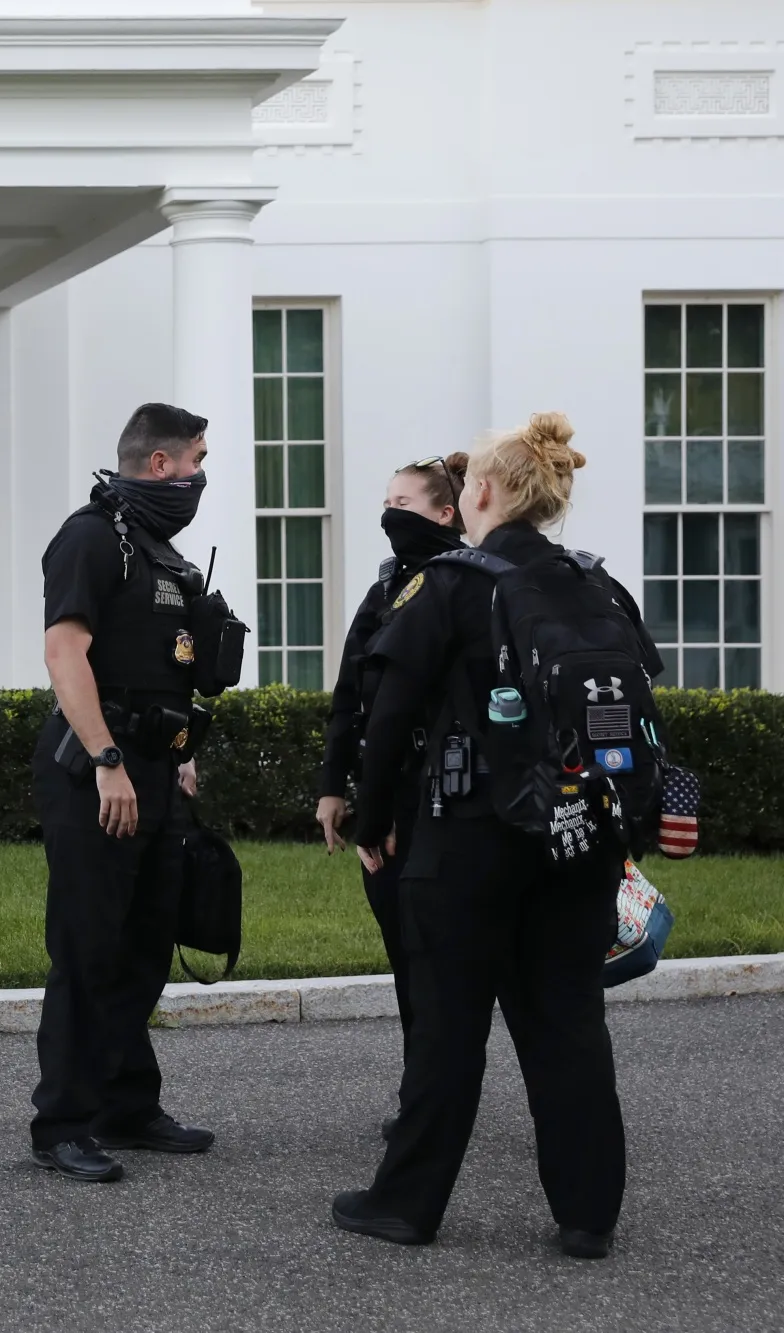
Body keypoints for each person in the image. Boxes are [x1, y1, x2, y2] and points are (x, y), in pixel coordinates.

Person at [333, 413, 659, 1259]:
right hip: (576, 833)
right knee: (569, 1022)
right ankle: (589, 1213)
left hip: (468, 835)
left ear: (479, 491)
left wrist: (371, 822)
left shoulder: (448, 582)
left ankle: (404, 1203)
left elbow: (389, 710)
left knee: (448, 1026)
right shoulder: (593, 582)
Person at [29, 402, 226, 1183]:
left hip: (154, 768)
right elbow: (63, 651)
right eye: (196, 460)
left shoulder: (156, 549)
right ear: (159, 465)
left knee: (144, 941)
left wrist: (176, 756)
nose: (200, 475)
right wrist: (108, 757)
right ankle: (62, 1122)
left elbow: (162, 667)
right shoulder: (89, 537)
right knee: (87, 946)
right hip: (95, 769)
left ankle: (125, 1104)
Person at [314, 453, 469, 1069]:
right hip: (384, 792)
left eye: (402, 503)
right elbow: (350, 695)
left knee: (438, 954)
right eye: (387, 502)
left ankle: (438, 1085)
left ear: (446, 512)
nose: (388, 514)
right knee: (404, 952)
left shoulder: (462, 586)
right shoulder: (385, 589)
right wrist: (334, 787)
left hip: (439, 799)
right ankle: (422, 1083)